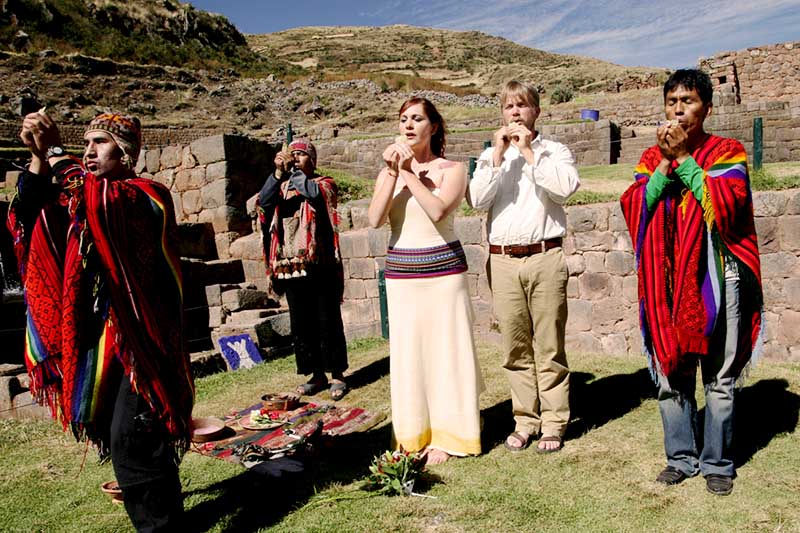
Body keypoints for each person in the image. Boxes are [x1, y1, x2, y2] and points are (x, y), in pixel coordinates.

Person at [11, 111, 194, 530]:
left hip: (143, 342)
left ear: (126, 152)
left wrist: (57, 151)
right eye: (87, 143)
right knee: (133, 437)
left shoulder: (145, 196)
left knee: (132, 437)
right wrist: (38, 157)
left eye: (101, 142)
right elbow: (30, 210)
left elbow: (96, 202)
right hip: (97, 338)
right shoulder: (84, 193)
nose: (89, 151)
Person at [620, 69, 764, 496]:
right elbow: (638, 208)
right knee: (671, 371)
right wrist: (667, 161)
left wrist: (685, 159)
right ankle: (680, 457)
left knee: (719, 376)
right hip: (666, 282)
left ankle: (717, 461)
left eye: (688, 101)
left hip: (719, 277)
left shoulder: (727, 151)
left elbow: (727, 208)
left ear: (707, 108)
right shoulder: (650, 159)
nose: (678, 108)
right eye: (671, 102)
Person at [368, 97, 484, 465]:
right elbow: (374, 219)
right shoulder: (388, 173)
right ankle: (412, 435)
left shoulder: (454, 169)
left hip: (444, 275)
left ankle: (451, 437)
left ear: (433, 126)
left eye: (417, 118)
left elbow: (437, 211)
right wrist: (392, 173)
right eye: (403, 119)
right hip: (402, 278)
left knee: (447, 355)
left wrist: (406, 173)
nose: (408, 125)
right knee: (410, 357)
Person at [469, 80, 580, 453]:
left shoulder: (553, 151)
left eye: (522, 105)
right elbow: (477, 200)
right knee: (514, 348)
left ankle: (553, 422)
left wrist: (530, 154)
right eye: (508, 107)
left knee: (549, 345)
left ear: (536, 111)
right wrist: (498, 159)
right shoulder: (490, 157)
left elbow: (565, 189)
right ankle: (525, 420)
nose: (514, 113)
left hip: (545, 255)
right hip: (502, 260)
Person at [258, 138, 349, 401]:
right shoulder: (282, 188)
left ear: (313, 160)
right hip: (291, 267)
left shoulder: (323, 184)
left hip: (320, 266)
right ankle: (316, 375)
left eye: (301, 155)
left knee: (327, 321)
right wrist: (277, 173)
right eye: (292, 154)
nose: (295, 158)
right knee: (303, 325)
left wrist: (294, 171)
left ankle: (338, 376)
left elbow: (311, 193)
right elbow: (264, 202)